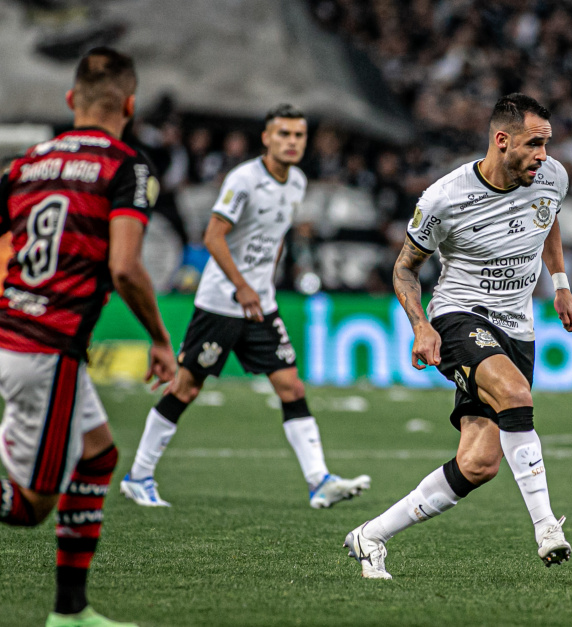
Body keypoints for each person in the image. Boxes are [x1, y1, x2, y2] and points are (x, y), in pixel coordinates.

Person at [344, 93, 572, 579]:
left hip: (519, 328)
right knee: (515, 395)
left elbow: (547, 219)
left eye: (547, 144)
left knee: (478, 464)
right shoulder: (443, 198)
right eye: (534, 144)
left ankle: (370, 537)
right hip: (459, 315)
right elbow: (404, 270)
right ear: (501, 140)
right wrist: (421, 326)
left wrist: (560, 286)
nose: (544, 155)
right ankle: (545, 528)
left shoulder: (551, 176)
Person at [0, 47, 176, 627]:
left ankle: (69, 613)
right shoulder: (128, 166)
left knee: (98, 456)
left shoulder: (28, 162)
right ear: (129, 104)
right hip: (46, 349)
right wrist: (158, 336)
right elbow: (125, 267)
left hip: (16, 332)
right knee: (29, 508)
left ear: (71, 100)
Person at [120, 105, 370, 509]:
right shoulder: (245, 180)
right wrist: (242, 287)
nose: (292, 142)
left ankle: (319, 481)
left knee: (291, 385)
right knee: (186, 386)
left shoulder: (297, 183)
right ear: (267, 139)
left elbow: (275, 239)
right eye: (284, 134)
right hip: (221, 303)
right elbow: (213, 236)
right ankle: (138, 476)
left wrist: (263, 285)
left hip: (261, 306)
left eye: (298, 136)